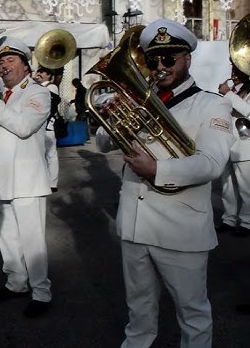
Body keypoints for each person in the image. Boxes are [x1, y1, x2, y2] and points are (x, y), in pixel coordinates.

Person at [95, 18, 234, 347]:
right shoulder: (137, 99)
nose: (160, 66)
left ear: (187, 58)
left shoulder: (213, 104)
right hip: (134, 225)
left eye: (169, 58)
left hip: (180, 229)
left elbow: (212, 163)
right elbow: (102, 143)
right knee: (138, 314)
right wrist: (114, 114)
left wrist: (157, 169)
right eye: (153, 60)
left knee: (193, 315)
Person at [0, 35, 53, 317]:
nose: (3, 66)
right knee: (6, 234)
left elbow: (22, 126)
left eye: (10, 60)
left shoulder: (37, 93)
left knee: (32, 239)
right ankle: (16, 282)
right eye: (1, 62)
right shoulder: (0, 96)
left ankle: (42, 292)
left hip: (24, 179)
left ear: (25, 66)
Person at [215, 64, 250, 237]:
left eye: (237, 72)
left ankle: (247, 222)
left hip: (245, 147)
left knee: (246, 188)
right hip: (228, 144)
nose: (233, 74)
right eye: (232, 71)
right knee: (227, 186)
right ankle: (229, 219)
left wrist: (228, 94)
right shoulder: (236, 92)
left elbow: (248, 112)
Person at [35, 66, 60, 192]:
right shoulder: (36, 86)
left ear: (49, 75)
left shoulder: (51, 87)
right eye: (38, 71)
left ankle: (53, 183)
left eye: (42, 72)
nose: (38, 73)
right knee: (39, 155)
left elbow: (51, 104)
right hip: (38, 127)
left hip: (48, 127)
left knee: (51, 155)